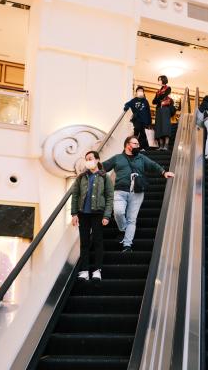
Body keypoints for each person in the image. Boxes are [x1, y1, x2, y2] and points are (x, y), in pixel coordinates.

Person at [103, 136, 174, 251]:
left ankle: (127, 245)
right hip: (120, 191)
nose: (138, 146)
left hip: (137, 192)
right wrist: (92, 170)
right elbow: (102, 167)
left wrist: (164, 172)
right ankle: (123, 229)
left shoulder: (141, 157)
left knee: (132, 219)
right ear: (127, 145)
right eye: (135, 144)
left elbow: (153, 165)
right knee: (118, 212)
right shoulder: (117, 158)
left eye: (138, 144)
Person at [70, 151, 114, 281]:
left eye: (90, 158)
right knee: (84, 243)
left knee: (98, 242)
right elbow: (75, 195)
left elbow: (110, 197)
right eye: (86, 159)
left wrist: (106, 215)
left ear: (97, 160)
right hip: (83, 214)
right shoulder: (81, 177)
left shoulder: (104, 177)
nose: (88, 161)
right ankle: (84, 270)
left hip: (98, 214)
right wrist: (74, 214)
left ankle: (97, 270)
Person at [124, 86, 152, 150]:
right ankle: (134, 147)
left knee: (143, 135)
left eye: (141, 91)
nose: (140, 92)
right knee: (136, 133)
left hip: (145, 121)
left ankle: (141, 147)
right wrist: (126, 107)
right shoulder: (134, 100)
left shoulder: (145, 101)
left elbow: (148, 111)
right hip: (137, 120)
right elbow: (127, 104)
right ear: (136, 92)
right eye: (138, 91)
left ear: (143, 92)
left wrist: (149, 122)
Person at [153, 75, 173, 150]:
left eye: (160, 79)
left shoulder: (168, 88)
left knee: (165, 126)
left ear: (164, 80)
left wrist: (158, 99)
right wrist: (159, 99)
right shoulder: (158, 91)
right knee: (159, 127)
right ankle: (161, 145)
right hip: (158, 110)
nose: (159, 81)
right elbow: (153, 101)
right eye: (158, 80)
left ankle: (166, 145)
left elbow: (163, 96)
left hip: (165, 109)